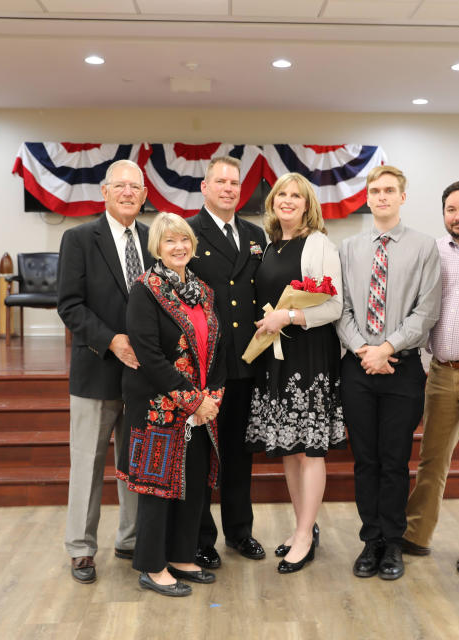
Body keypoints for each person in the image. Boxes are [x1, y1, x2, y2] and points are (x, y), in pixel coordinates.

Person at [336, 165, 441, 581]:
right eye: (375, 190)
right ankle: (371, 541)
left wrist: (387, 348)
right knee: (365, 459)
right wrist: (364, 349)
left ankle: (393, 542)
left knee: (395, 460)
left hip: (402, 366)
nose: (381, 196)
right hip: (358, 366)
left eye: (389, 190)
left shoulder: (424, 247)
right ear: (367, 197)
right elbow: (340, 308)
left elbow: (427, 310)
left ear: (402, 197)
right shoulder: (348, 248)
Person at [117, 212, 225, 598]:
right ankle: (152, 566)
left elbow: (217, 348)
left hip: (199, 411)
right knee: (158, 489)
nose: (178, 247)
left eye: (184, 240)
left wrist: (212, 397)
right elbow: (148, 353)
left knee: (192, 485)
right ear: (157, 248)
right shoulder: (145, 289)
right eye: (169, 242)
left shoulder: (204, 290)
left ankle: (181, 556)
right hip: (158, 407)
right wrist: (192, 400)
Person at [57, 159, 154, 584]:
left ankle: (131, 539)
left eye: (136, 186)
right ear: (105, 192)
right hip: (96, 369)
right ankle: (80, 548)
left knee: (136, 462)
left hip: (144, 376)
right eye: (121, 186)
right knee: (88, 462)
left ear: (145, 194)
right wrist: (112, 340)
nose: (128, 192)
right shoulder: (79, 238)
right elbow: (70, 305)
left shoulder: (155, 240)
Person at [245, 172, 346, 574]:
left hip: (308, 356)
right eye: (281, 195)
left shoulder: (318, 244)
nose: (288, 201)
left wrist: (288, 315)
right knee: (289, 447)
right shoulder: (270, 247)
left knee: (310, 449)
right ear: (272, 203)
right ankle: (303, 525)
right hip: (276, 357)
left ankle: (304, 536)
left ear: (307, 204)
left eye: (296, 196)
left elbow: (333, 306)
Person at [403, 180, 459, 572]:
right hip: (440, 372)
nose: (458, 216)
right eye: (451, 210)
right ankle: (417, 534)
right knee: (431, 459)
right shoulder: (434, 251)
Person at [187, 156, 268, 568]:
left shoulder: (256, 235)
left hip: (246, 363)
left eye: (234, 182)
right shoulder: (188, 232)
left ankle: (240, 532)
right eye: (220, 181)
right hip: (205, 366)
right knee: (201, 456)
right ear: (205, 187)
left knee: (239, 454)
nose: (228, 188)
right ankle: (202, 538)